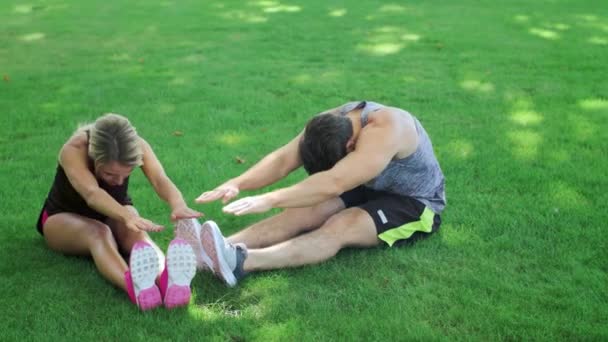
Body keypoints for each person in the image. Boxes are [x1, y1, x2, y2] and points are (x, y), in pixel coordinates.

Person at [190, 101, 446, 287]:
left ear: (350, 146)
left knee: (342, 224)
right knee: (303, 211)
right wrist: (237, 183)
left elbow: (333, 182)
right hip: (365, 183)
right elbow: (282, 160)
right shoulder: (329, 121)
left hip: (414, 203)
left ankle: (241, 262)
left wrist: (268, 199)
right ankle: (212, 250)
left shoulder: (387, 128)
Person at [36, 113, 201, 310]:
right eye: (110, 174)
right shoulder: (74, 150)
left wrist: (178, 204)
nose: (119, 182)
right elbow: (92, 193)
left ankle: (167, 279)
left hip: (114, 211)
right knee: (99, 232)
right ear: (94, 157)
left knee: (137, 232)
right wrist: (127, 215)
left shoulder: (137, 146)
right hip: (61, 219)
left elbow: (159, 179)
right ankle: (136, 288)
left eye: (127, 174)